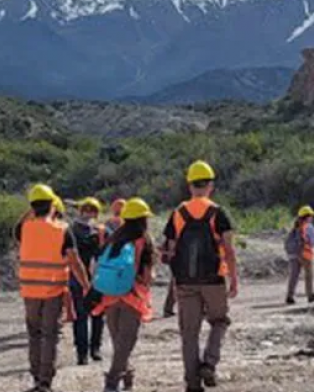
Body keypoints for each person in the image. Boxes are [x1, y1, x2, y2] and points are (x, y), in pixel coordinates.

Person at [162, 160, 238, 392]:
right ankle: (209, 363)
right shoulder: (218, 213)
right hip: (214, 279)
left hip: (185, 281)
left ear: (189, 186)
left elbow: (170, 251)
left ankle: (192, 383)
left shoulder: (178, 213)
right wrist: (234, 279)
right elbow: (229, 249)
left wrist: (175, 281)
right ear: (210, 186)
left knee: (189, 333)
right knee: (220, 321)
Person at [15, 184, 90, 392]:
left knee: (34, 336)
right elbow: (75, 262)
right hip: (53, 291)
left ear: (32, 207)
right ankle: (44, 382)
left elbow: (19, 225)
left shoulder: (25, 228)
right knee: (49, 335)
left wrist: (32, 209)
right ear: (52, 205)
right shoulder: (62, 229)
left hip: (30, 292)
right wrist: (85, 285)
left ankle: (36, 377)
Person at [92, 198, 156, 392]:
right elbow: (147, 274)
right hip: (133, 296)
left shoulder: (113, 238)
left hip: (110, 296)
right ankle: (112, 382)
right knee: (126, 343)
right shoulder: (144, 240)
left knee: (119, 342)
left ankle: (128, 379)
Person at [70, 197, 106, 365]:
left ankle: (87, 351)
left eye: (91, 210)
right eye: (88, 210)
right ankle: (89, 351)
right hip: (89, 277)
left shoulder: (70, 230)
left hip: (85, 277)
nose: (89, 214)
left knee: (87, 315)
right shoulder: (99, 232)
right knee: (91, 315)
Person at [285, 206, 314, 305]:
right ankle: (310, 295)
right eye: (311, 216)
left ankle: (290, 296)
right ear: (307, 216)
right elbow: (313, 241)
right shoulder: (308, 226)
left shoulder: (295, 227)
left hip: (293, 254)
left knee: (293, 276)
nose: (312, 218)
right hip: (304, 253)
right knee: (308, 276)